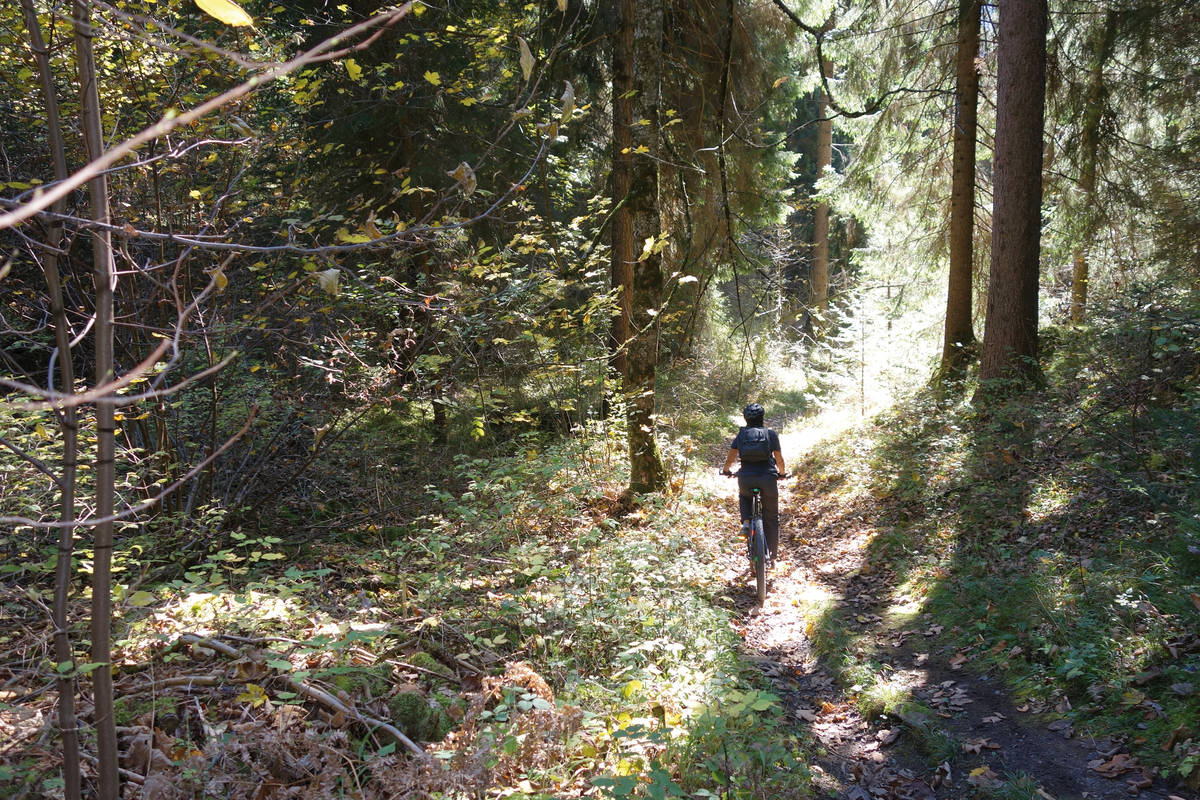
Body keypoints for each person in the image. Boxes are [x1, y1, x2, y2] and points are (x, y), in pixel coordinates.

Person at [720, 403, 785, 563]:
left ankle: (747, 522)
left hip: (746, 478)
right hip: (768, 478)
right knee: (771, 517)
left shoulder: (741, 436)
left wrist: (726, 470)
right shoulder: (771, 435)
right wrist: (782, 473)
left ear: (745, 418)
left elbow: (730, 458)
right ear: (762, 418)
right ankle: (773, 555)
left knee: (744, 496)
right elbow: (779, 459)